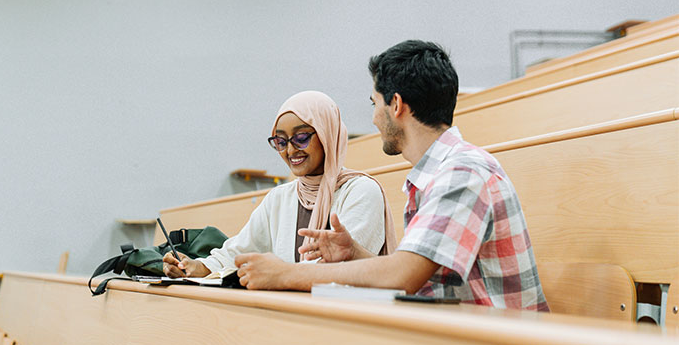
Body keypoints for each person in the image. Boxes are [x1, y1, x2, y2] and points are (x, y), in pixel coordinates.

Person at [235, 41, 549, 311]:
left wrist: (285, 274)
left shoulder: (464, 171)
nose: (372, 118)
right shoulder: (440, 171)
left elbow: (403, 275)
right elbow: (422, 278)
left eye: (375, 103)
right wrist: (353, 253)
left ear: (396, 104)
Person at [163, 91, 397, 278]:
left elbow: (345, 271)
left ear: (327, 134)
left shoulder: (361, 191)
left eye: (301, 138)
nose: (291, 150)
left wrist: (280, 275)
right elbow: (238, 251)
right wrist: (197, 266)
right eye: (281, 141)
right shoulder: (279, 198)